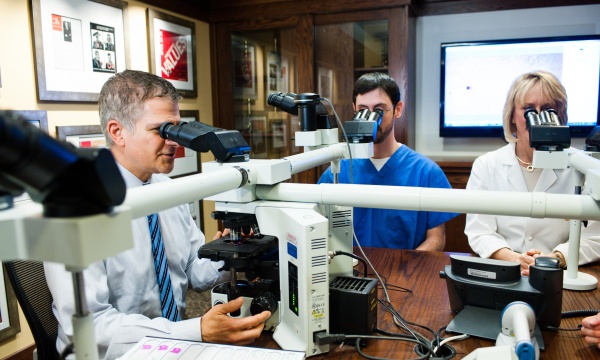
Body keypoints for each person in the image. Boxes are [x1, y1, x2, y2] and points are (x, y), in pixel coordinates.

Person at [44, 70, 270, 359]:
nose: (175, 142)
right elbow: (92, 328)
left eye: (176, 128)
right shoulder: (73, 208)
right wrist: (195, 331)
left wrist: (232, 250)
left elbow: (193, 272)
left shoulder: (165, 189)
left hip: (174, 346)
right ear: (117, 132)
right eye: (161, 130)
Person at [465, 70, 600, 275]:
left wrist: (555, 258)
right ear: (512, 116)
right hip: (504, 271)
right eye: (529, 110)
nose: (537, 119)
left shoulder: (581, 166)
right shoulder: (487, 165)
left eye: (547, 110)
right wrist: (514, 258)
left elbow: (594, 237)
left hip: (558, 274)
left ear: (560, 116)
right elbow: (479, 230)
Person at [318, 72, 457, 250]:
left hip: (404, 271)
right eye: (362, 111)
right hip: (351, 270)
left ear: (397, 109)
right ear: (354, 110)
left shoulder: (426, 172)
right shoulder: (338, 170)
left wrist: (405, 272)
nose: (370, 119)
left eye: (378, 111)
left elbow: (436, 239)